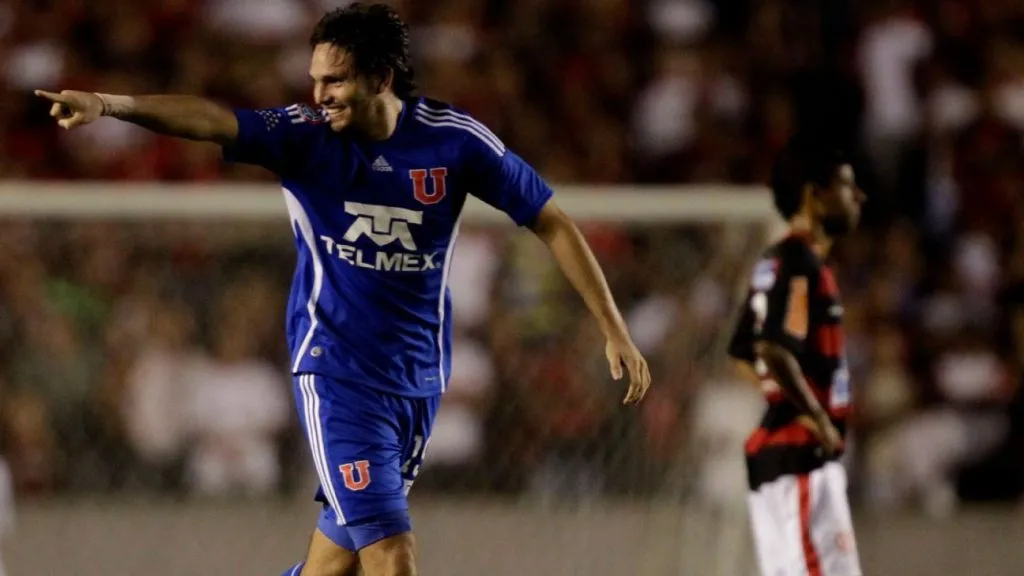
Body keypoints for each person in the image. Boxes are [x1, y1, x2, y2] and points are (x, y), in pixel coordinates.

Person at [35, 4, 650, 576]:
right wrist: (110, 105)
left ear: (381, 77)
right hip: (337, 374)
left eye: (334, 81)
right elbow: (213, 120)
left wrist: (613, 329)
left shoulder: (455, 142)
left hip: (418, 377)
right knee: (390, 552)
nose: (318, 95)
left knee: (336, 564)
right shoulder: (304, 138)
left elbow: (551, 221)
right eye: (315, 79)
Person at [726, 132, 866, 576]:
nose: (857, 196)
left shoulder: (775, 262)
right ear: (814, 196)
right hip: (801, 458)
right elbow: (771, 348)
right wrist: (816, 417)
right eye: (846, 185)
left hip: (780, 461)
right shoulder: (801, 264)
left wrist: (777, 391)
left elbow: (742, 352)